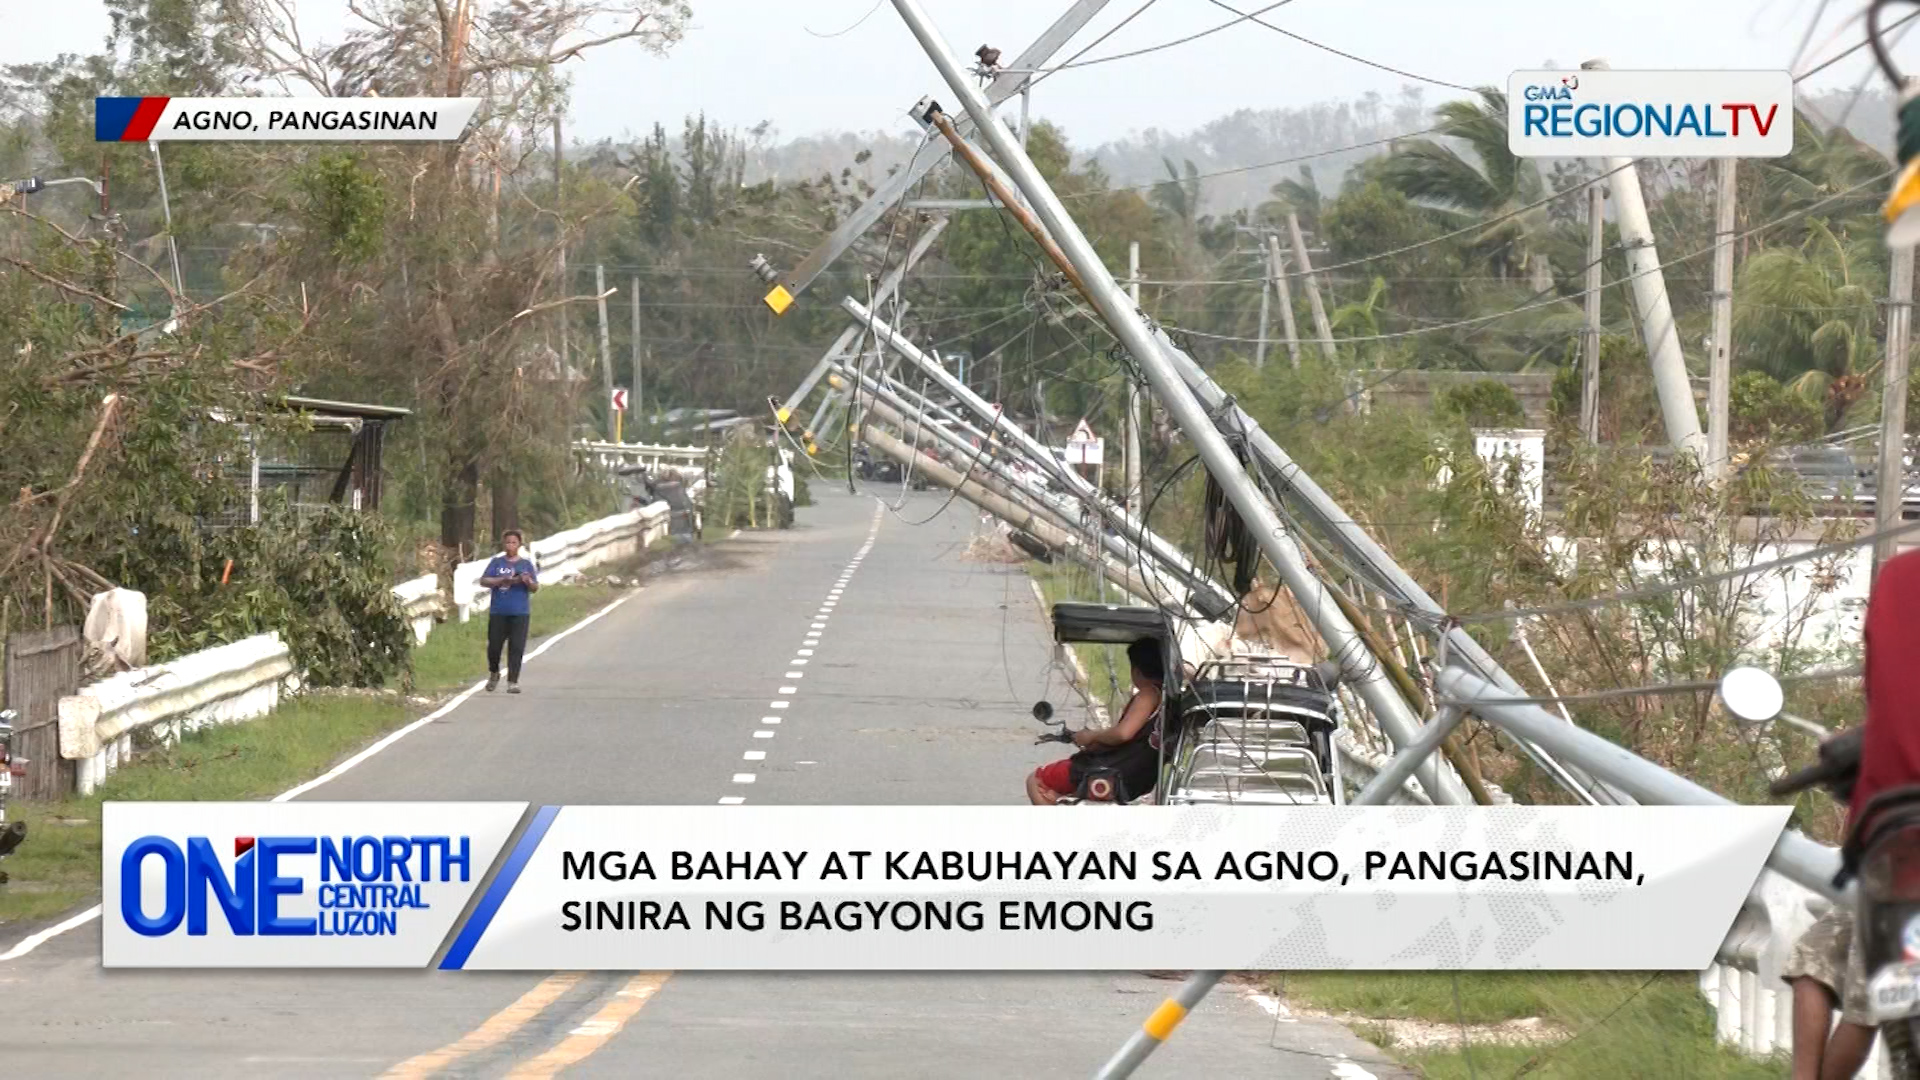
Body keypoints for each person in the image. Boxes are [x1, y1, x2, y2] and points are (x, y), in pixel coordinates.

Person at [1784, 548, 1920, 1077]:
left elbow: (1887, 695)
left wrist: (1867, 753)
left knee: (1838, 977)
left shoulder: (1900, 579)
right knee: (1848, 983)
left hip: (1884, 843)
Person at [1027, 638, 1164, 805]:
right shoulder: (1168, 698)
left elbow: (1123, 734)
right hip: (1136, 773)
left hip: (1113, 771)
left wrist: (1092, 736)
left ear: (1136, 670)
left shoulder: (1149, 694)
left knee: (1036, 780)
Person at [479, 530, 539, 693]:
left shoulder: (525, 564)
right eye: (508, 542)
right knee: (494, 646)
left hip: (520, 612)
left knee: (516, 647)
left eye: (514, 542)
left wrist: (527, 581)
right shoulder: (497, 563)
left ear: (519, 544)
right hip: (499, 611)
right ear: (503, 544)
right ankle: (494, 672)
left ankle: (513, 681)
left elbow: (535, 588)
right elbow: (484, 581)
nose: (510, 545)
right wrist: (502, 580)